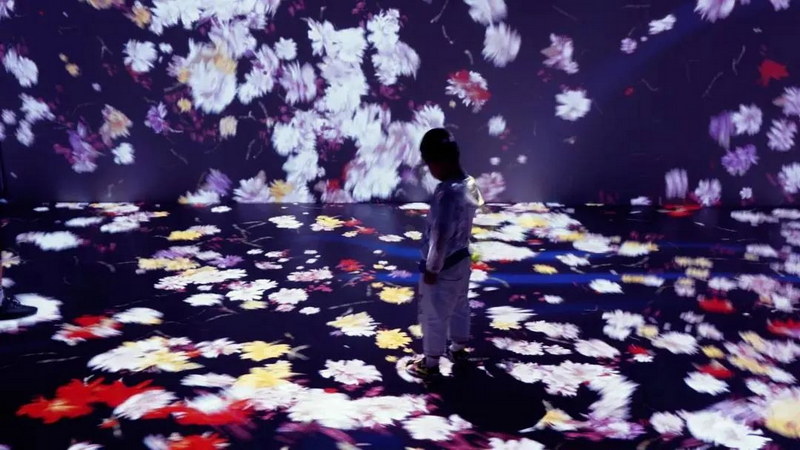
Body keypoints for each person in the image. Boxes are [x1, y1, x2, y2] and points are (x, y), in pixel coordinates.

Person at [407, 128, 484, 380]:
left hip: (443, 265)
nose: (431, 170)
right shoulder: (469, 183)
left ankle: (430, 362)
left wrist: (432, 268)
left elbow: (440, 236)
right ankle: (459, 347)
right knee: (460, 304)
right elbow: (475, 207)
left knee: (434, 313)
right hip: (462, 258)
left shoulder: (446, 193)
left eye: (430, 164)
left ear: (440, 161)